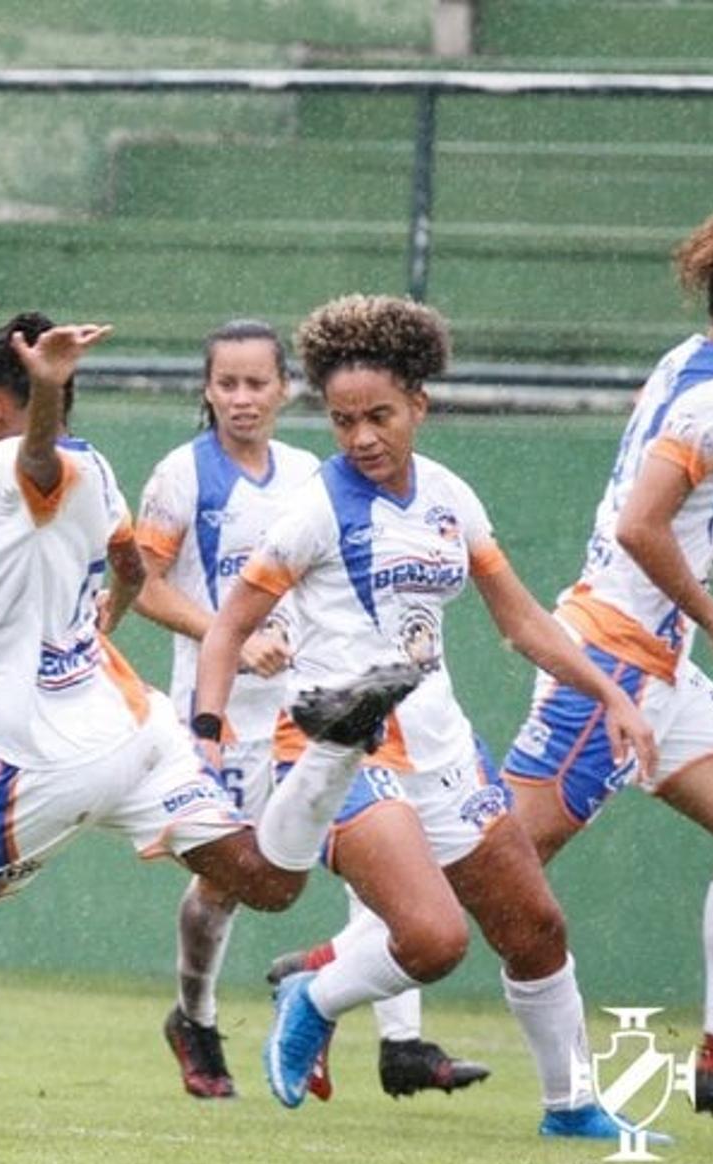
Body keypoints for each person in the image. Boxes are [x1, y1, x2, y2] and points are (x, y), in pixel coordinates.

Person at [0, 312, 421, 1127]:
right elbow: (130, 565)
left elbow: (34, 461)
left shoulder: (7, 456)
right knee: (269, 884)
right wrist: (103, 624)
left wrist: (44, 389)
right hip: (137, 724)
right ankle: (336, 750)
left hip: (47, 751)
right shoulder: (97, 467)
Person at [194, 294, 659, 1140]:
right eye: (342, 422)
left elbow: (521, 621)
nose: (362, 437)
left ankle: (572, 1107)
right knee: (435, 940)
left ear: (419, 403)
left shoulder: (449, 495)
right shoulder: (315, 509)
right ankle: (316, 993)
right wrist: (208, 727)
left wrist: (614, 695)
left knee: (536, 930)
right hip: (340, 745)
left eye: (379, 416)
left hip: (441, 743)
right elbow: (229, 624)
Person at [134, 320, 484, 1101]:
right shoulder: (180, 476)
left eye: (257, 383)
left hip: (314, 710)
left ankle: (402, 1041)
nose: (242, 398)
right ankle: (195, 1015)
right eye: (226, 383)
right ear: (206, 389)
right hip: (223, 717)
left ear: (284, 389)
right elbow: (141, 586)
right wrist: (230, 641)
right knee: (236, 885)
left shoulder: (308, 475)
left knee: (383, 855)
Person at [499, 208, 713, 1117]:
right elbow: (641, 525)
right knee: (496, 867)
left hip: (655, 664)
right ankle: (333, 976)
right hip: (613, 658)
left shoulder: (686, 361)